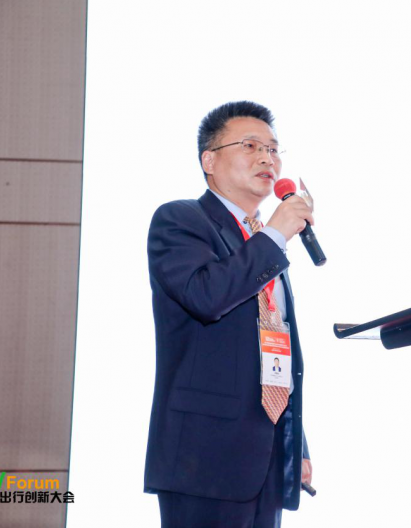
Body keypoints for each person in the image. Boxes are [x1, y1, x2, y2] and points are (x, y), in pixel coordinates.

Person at [144, 101, 314, 527]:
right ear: (209, 160)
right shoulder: (180, 219)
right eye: (251, 146)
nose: (267, 158)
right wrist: (275, 234)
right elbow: (206, 296)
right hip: (203, 457)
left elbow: (273, 350)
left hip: (267, 458)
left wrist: (296, 443)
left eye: (273, 149)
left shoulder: (264, 241)